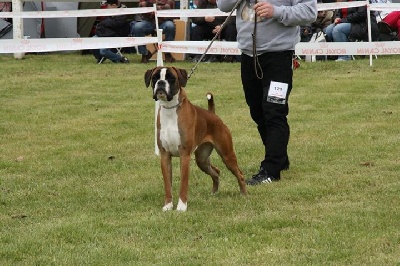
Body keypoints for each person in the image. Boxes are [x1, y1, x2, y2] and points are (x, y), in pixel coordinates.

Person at [217, 0, 317, 185]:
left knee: (274, 111)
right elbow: (223, 5)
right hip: (248, 55)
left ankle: (271, 169)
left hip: (278, 56)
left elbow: (309, 12)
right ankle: (280, 157)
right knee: (257, 111)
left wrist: (276, 11)